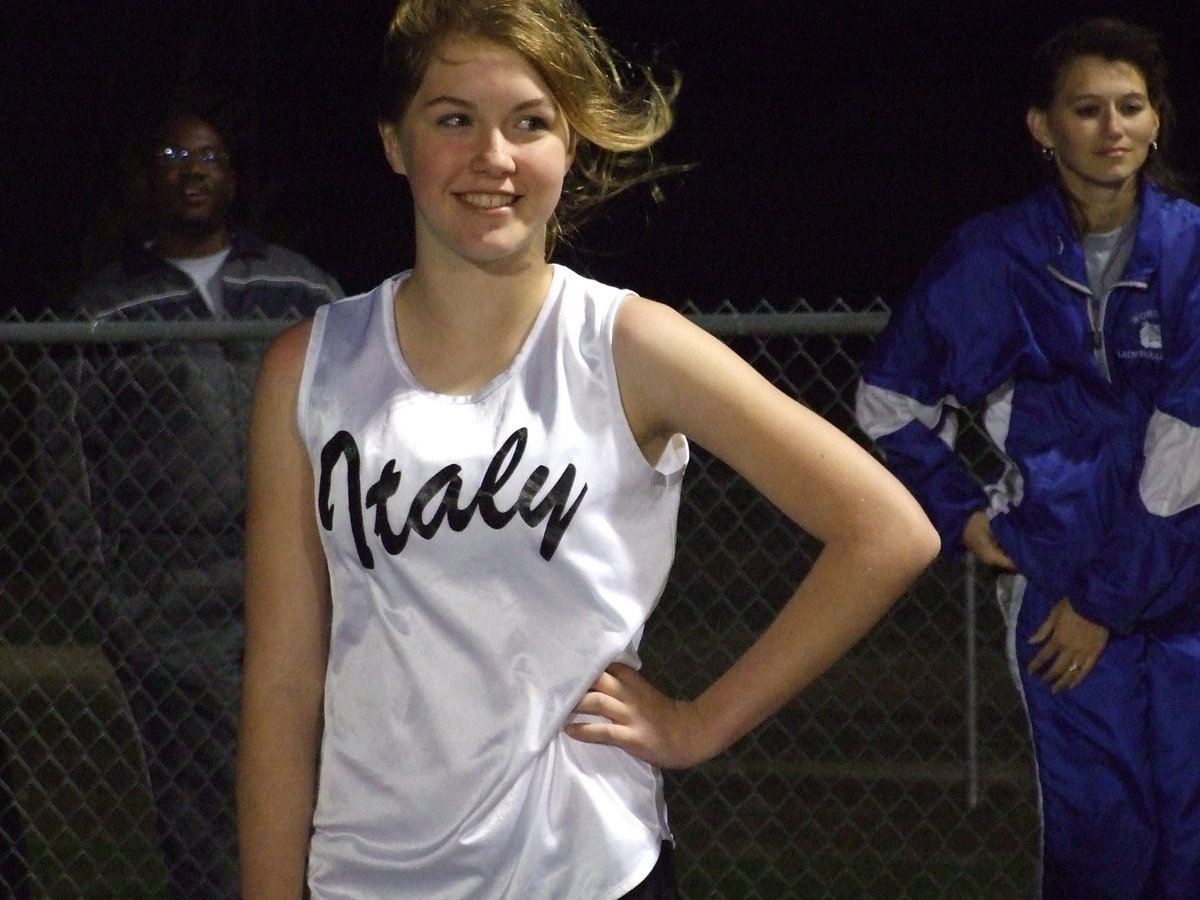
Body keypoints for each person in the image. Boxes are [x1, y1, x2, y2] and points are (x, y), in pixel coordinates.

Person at [235, 2, 939, 897]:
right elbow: (284, 683)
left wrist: (700, 724)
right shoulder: (310, 367)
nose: (493, 156)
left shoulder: (629, 347)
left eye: (529, 122)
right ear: (395, 141)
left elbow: (887, 532)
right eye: (454, 119)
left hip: (588, 870)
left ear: (571, 146)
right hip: (365, 877)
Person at [856, 17, 1200, 900]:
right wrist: (963, 515)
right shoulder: (992, 257)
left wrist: (1108, 601)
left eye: (1132, 106)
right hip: (1058, 605)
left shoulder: (1194, 250)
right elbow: (889, 401)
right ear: (1043, 127)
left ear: (1158, 120)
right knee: (1102, 843)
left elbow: (1185, 450)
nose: (1113, 126)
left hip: (1181, 589)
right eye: (1087, 109)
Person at [37, 110, 343, 898]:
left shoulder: (297, 285)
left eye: (211, 156)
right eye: (175, 154)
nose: (194, 169)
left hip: (311, 589)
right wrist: (115, 599)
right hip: (175, 609)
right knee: (204, 814)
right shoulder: (104, 313)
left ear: (233, 176)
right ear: (147, 178)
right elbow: (65, 466)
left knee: (328, 789)